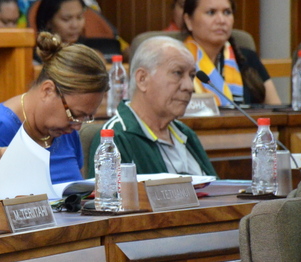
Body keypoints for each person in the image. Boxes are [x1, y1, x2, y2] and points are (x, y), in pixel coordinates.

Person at [0, 33, 109, 185]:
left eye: (86, 117)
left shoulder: (66, 130)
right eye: (74, 115)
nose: (78, 126)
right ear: (48, 90)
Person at [86, 37, 217, 178]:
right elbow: (108, 198)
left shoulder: (186, 134)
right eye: (177, 73)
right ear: (142, 79)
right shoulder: (116, 138)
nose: (189, 87)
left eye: (191, 76)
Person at [182, 0, 281, 106]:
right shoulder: (176, 61)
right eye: (211, 12)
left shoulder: (247, 58)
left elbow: (275, 108)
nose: (221, 20)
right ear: (188, 20)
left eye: (227, 12)